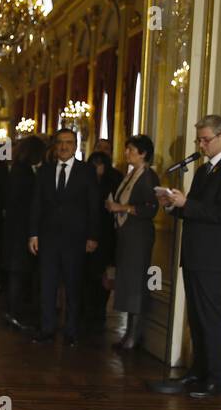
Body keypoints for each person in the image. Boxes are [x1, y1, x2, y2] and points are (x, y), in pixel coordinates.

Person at [153, 115, 221, 398]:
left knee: (211, 316)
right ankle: (198, 371)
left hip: (213, 256)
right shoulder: (203, 171)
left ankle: (216, 379)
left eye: (206, 139)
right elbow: (193, 210)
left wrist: (188, 204)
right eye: (200, 140)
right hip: (194, 253)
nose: (202, 144)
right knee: (195, 316)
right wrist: (173, 206)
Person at [28, 127, 100, 345]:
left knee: (73, 287)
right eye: (60, 142)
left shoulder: (87, 171)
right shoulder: (44, 171)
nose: (64, 146)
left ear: (76, 146)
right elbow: (36, 204)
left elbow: (94, 206)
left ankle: (71, 331)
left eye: (68, 142)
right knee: (47, 286)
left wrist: (92, 236)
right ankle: (47, 329)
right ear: (55, 145)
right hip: (48, 238)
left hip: (75, 239)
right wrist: (33, 234)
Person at [105, 135, 159, 350]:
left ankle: (133, 336)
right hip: (126, 235)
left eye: (131, 149)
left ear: (143, 153)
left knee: (136, 284)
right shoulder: (131, 175)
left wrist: (121, 208)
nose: (126, 153)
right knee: (127, 283)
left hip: (139, 236)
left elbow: (150, 208)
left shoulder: (148, 177)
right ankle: (128, 333)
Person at [1, 136, 43, 329]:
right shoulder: (25, 173)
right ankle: (13, 313)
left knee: (15, 274)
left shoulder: (16, 170)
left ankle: (12, 312)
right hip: (21, 231)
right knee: (18, 274)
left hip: (13, 229)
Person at [82, 149, 123, 331]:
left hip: (106, 234)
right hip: (85, 232)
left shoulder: (114, 180)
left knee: (102, 274)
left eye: (99, 164)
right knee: (86, 274)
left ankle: (98, 311)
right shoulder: (84, 180)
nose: (96, 168)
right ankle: (86, 309)